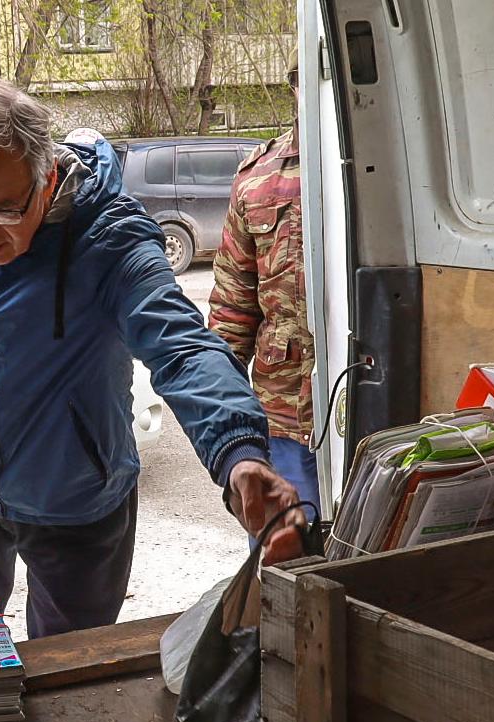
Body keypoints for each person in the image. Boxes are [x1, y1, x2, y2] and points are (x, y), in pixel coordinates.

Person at [0, 79, 303, 638]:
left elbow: (183, 346)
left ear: (47, 177)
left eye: (4, 210)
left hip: (76, 496)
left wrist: (238, 451)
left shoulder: (110, 240)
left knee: (65, 677)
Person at [210, 72, 319, 522]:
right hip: (283, 416)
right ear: (295, 84)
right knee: (285, 556)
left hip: (381, 409)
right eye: (305, 79)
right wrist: (227, 426)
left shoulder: (397, 161)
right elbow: (232, 307)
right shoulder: (259, 178)